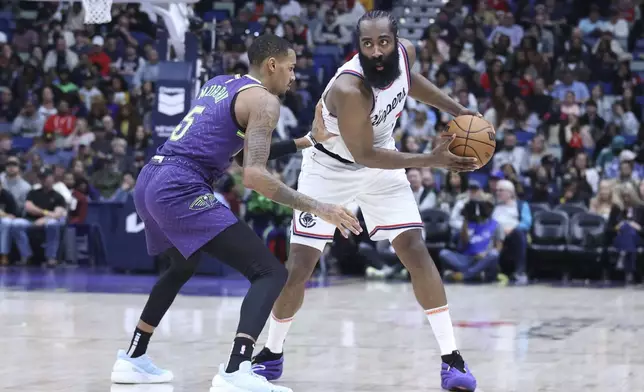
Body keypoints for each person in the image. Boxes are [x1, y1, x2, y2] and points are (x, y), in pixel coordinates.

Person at [110, 34, 362, 392]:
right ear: (272, 65)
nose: (293, 77)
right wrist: (321, 207)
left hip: (150, 177)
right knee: (270, 273)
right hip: (181, 186)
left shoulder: (219, 84)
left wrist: (307, 141)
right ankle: (236, 369)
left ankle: (133, 357)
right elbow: (254, 176)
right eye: (290, 68)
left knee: (182, 265)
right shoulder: (266, 102)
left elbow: (242, 155)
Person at [252, 11, 479, 392]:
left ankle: (451, 360)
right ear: (358, 47)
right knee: (300, 268)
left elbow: (410, 83)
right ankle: (271, 353)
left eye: (383, 43)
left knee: (414, 249)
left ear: (396, 40)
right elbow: (364, 155)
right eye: (367, 44)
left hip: (382, 162)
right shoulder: (350, 88)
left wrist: (459, 111)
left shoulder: (404, 56)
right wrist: (432, 160)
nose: (376, 51)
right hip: (331, 169)